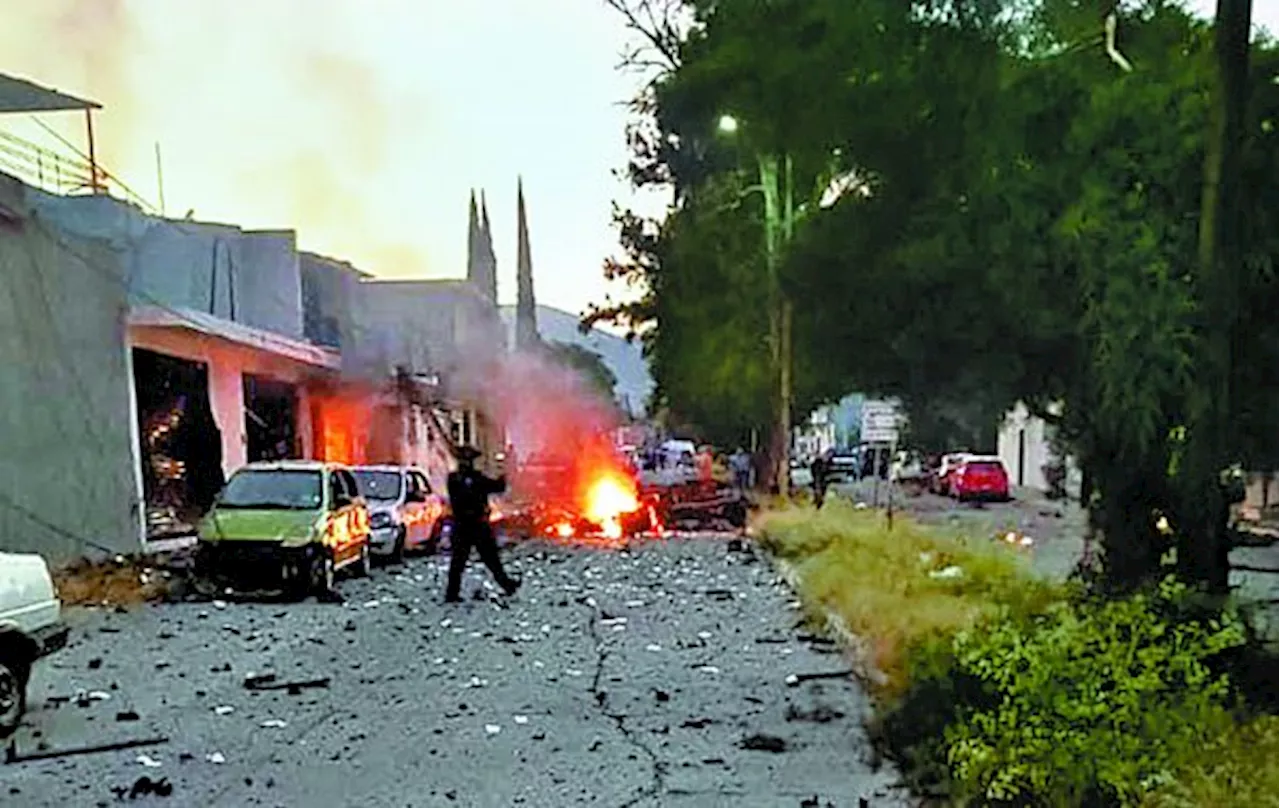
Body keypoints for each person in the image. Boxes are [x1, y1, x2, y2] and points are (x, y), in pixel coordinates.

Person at [445, 446, 520, 603]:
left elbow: (498, 487)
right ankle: (452, 594)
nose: (468, 463)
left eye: (469, 460)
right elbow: (479, 490)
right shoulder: (458, 480)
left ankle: (507, 585)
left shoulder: (468, 478)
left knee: (490, 558)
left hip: (472, 525)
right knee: (460, 561)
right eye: (466, 460)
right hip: (467, 525)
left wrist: (506, 470)